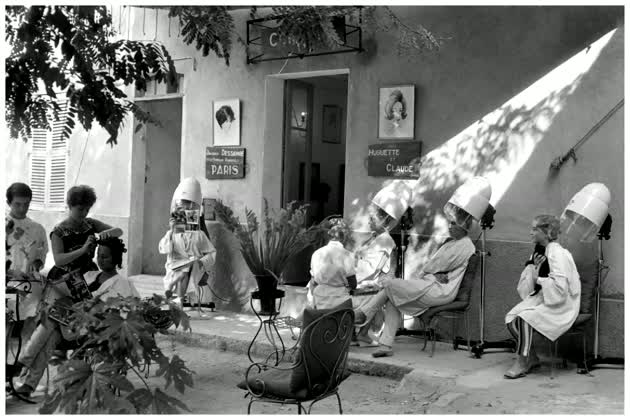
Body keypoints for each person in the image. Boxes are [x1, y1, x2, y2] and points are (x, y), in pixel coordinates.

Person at [15, 238, 137, 398]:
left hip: (93, 329)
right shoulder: (90, 274)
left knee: (51, 322)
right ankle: (28, 385)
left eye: (105, 256)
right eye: (99, 255)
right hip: (70, 322)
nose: (100, 259)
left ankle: (22, 363)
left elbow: (125, 312)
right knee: (51, 329)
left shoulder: (123, 283)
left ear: (116, 258)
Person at [354, 205, 476, 358]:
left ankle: (363, 313)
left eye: (453, 224)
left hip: (442, 290)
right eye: (449, 223)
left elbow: (435, 265)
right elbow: (432, 267)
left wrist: (434, 271)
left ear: (463, 226)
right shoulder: (451, 243)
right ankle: (385, 345)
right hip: (430, 284)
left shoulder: (466, 245)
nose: (449, 227)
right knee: (393, 298)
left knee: (390, 284)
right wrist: (434, 271)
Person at [503, 215, 581, 379]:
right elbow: (527, 285)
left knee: (525, 318)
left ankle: (522, 362)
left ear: (547, 232)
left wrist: (537, 277)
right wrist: (532, 270)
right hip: (544, 297)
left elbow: (560, 288)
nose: (530, 232)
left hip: (562, 304)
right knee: (511, 318)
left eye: (534, 229)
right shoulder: (539, 252)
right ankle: (531, 356)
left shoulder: (558, 254)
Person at [159, 177, 216, 308]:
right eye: (180, 211)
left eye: (186, 211)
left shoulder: (199, 235)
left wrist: (201, 262)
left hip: (195, 267)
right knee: (182, 268)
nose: (182, 214)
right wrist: (172, 231)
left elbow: (212, 253)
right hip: (174, 267)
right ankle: (178, 298)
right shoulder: (172, 234)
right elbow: (163, 249)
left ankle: (179, 298)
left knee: (186, 268)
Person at [47, 185, 123, 281]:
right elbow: (58, 260)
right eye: (80, 209)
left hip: (89, 272)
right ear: (70, 206)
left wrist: (107, 233)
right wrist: (82, 250)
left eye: (87, 209)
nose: (84, 213)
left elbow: (119, 231)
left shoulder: (90, 223)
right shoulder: (59, 231)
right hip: (66, 277)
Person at [5, 183, 49, 336]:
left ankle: (22, 355)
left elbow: (41, 254)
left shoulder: (37, 228)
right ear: (9, 203)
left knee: (29, 321)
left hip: (28, 283)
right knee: (7, 323)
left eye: (26, 204)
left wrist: (37, 264)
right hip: (6, 282)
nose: (22, 208)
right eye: (17, 204)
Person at [351, 204, 398, 347]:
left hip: (373, 281)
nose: (369, 222)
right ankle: (353, 335)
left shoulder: (384, 241)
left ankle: (361, 334)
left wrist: (350, 274)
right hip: (364, 276)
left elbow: (371, 269)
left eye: (373, 219)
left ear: (383, 221)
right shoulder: (375, 237)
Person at [306, 218, 357, 310]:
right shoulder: (347, 255)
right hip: (341, 303)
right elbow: (353, 283)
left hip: (319, 301)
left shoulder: (317, 253)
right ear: (344, 237)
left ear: (328, 236)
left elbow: (313, 281)